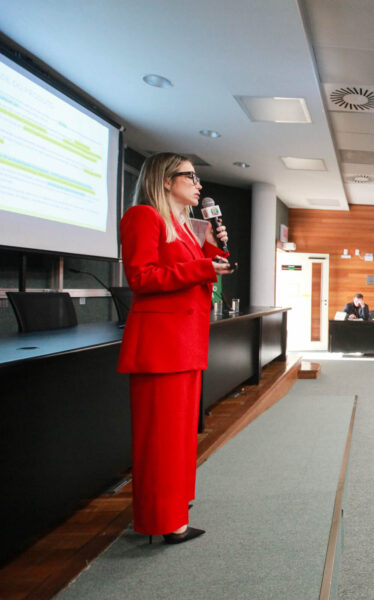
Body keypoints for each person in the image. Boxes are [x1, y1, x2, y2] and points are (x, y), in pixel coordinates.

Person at [118, 152, 234, 544]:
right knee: (161, 440)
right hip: (160, 347)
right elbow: (141, 277)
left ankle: (174, 509)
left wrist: (214, 248)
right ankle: (162, 521)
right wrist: (202, 267)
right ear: (165, 180)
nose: (198, 185)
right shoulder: (144, 216)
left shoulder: (184, 227)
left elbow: (201, 271)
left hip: (184, 343)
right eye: (190, 177)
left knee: (180, 437)